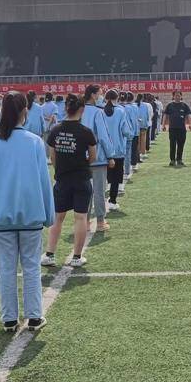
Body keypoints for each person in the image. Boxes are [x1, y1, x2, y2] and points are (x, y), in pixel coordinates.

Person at [0, 93, 54, 332]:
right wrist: (48, 215)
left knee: (6, 268)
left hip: (0, 216)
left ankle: (9, 318)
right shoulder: (33, 142)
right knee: (31, 267)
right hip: (31, 214)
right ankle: (34, 315)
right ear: (25, 111)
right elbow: (44, 181)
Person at [42, 94, 97, 267]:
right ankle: (76, 257)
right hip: (82, 179)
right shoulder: (86, 132)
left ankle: (49, 254)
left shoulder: (56, 130)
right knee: (80, 217)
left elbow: (52, 156)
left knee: (57, 218)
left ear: (66, 108)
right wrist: (81, 164)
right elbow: (93, 157)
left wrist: (62, 168)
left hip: (62, 179)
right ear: (82, 110)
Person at [80, 85, 116, 230]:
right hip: (98, 156)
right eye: (100, 94)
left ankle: (85, 222)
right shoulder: (97, 112)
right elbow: (103, 136)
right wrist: (110, 155)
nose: (102, 97)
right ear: (94, 95)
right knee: (99, 191)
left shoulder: (79, 110)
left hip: (81, 158)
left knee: (84, 191)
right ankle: (100, 221)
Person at [99, 90, 133, 211]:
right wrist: (130, 136)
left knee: (100, 177)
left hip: (101, 150)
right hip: (117, 150)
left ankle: (98, 203)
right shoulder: (120, 111)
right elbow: (127, 131)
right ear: (117, 98)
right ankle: (112, 201)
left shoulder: (100, 111)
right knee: (116, 178)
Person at [162, 90, 191, 166]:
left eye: (179, 95)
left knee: (181, 144)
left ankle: (179, 159)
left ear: (181, 96)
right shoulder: (169, 105)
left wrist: (190, 124)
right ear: (173, 96)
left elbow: (189, 115)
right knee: (172, 144)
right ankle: (172, 160)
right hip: (172, 128)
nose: (177, 97)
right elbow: (165, 115)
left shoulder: (184, 105)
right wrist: (163, 125)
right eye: (176, 95)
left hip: (182, 129)